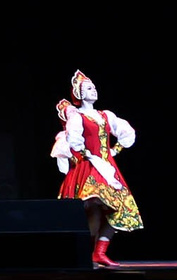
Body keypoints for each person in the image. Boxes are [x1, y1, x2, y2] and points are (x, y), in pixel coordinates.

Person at [51, 70, 142, 268]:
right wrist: (86, 154)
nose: (94, 90)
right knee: (93, 204)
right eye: (88, 88)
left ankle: (99, 252)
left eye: (94, 87)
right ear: (80, 94)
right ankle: (86, 251)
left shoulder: (106, 115)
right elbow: (74, 141)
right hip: (87, 166)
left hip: (107, 168)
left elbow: (127, 133)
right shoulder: (78, 117)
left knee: (119, 207)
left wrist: (115, 150)